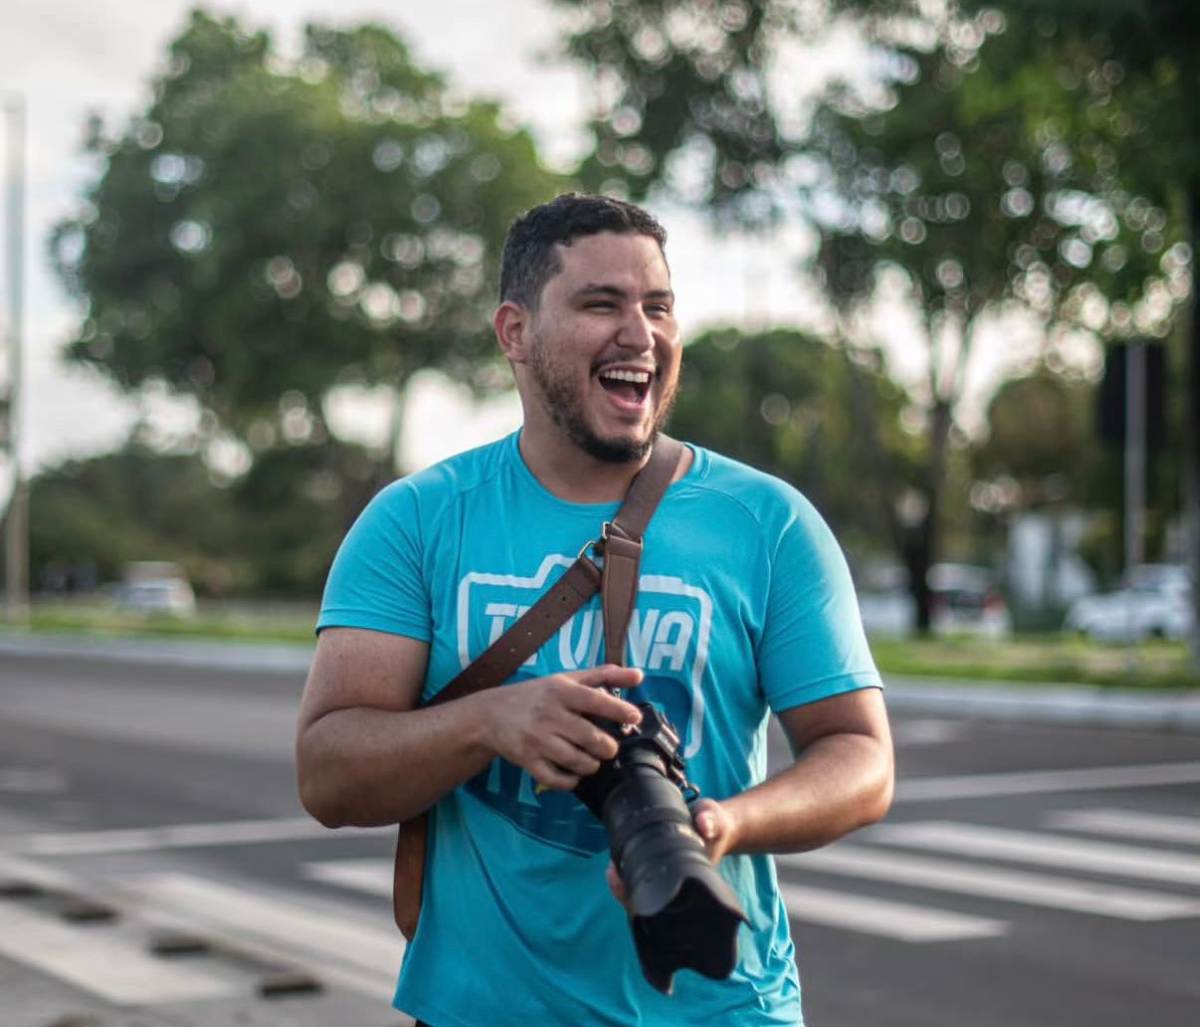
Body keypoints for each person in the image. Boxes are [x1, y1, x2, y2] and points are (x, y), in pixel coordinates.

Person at [296, 193, 893, 1027]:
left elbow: (861, 756)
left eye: (659, 307)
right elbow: (327, 774)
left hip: (726, 1010)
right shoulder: (417, 521)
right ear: (515, 332)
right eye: (601, 304)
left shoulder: (769, 523)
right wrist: (491, 722)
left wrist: (724, 822)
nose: (640, 334)